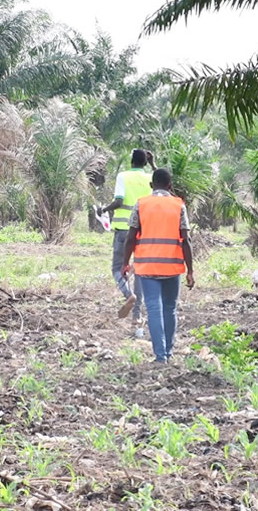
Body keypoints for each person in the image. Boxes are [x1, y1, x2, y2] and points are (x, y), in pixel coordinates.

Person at [122, 169, 195, 363]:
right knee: (170, 309)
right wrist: (190, 271)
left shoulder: (141, 204)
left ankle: (160, 356)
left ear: (151, 186)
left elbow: (130, 238)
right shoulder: (179, 206)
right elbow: (186, 240)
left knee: (153, 308)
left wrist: (125, 263)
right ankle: (169, 352)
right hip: (172, 267)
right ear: (170, 186)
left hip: (147, 267)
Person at [97, 149, 157, 322]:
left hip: (124, 229)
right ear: (145, 163)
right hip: (144, 231)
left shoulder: (123, 176)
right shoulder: (149, 178)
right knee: (139, 271)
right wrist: (153, 164)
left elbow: (119, 201)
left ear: (131, 161)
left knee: (117, 268)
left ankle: (128, 294)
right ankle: (137, 315)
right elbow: (162, 182)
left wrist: (104, 209)